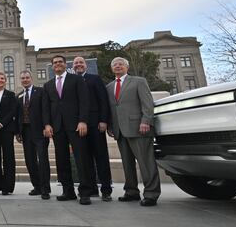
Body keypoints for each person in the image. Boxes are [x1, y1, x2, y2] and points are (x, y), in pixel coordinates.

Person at [107, 57, 161, 206]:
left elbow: (147, 103)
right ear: (112, 69)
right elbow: (112, 108)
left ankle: (151, 193)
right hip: (120, 130)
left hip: (139, 128)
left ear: (127, 67)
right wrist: (111, 126)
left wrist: (146, 121)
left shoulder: (138, 81)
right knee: (127, 163)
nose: (118, 66)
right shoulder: (110, 86)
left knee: (146, 162)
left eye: (121, 64)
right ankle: (131, 191)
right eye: (115, 65)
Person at [42, 55, 94, 205]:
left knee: (81, 158)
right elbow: (46, 107)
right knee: (61, 160)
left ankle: (85, 192)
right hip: (57, 127)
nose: (57, 65)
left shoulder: (77, 80)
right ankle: (68, 191)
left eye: (60, 62)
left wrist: (83, 121)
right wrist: (47, 124)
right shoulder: (48, 85)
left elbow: (84, 101)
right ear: (52, 66)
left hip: (75, 126)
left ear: (65, 65)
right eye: (55, 63)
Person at [73, 56, 113, 201]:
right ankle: (91, 189)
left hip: (95, 124)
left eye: (81, 63)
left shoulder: (94, 79)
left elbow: (103, 99)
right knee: (85, 159)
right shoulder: (72, 81)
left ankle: (106, 189)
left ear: (86, 65)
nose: (78, 65)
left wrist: (103, 120)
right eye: (76, 63)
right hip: (79, 126)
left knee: (101, 157)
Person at [16, 70, 51, 200]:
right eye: (23, 78)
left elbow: (46, 110)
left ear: (31, 78)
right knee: (30, 160)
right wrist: (18, 132)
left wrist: (47, 125)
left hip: (39, 131)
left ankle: (45, 189)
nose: (25, 80)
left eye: (27, 77)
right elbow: (18, 116)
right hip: (25, 132)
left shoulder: (41, 92)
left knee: (42, 160)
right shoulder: (19, 96)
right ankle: (36, 186)